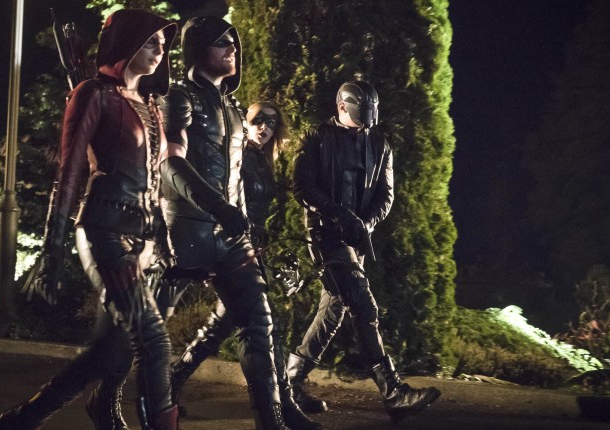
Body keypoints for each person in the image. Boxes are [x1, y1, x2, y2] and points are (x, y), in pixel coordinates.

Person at [0, 9, 179, 430]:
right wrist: (51, 253)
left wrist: (164, 242)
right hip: (104, 231)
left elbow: (156, 182)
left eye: (163, 44)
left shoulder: (151, 105)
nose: (160, 50)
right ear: (128, 43)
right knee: (154, 341)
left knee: (111, 352)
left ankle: (22, 420)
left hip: (144, 240)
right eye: (151, 41)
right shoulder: (92, 94)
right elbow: (70, 173)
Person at [159, 17, 289, 430]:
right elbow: (170, 163)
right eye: (221, 42)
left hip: (230, 235)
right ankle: (129, 402)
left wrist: (242, 222)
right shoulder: (178, 97)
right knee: (143, 331)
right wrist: (220, 208)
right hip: (185, 231)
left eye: (234, 41)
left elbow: (236, 176)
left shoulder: (233, 107)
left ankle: (273, 421)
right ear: (198, 49)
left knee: (258, 321)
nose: (232, 48)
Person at [287, 80, 441, 424]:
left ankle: (289, 383)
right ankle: (393, 393)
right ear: (342, 106)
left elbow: (386, 196)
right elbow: (302, 187)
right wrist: (340, 216)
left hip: (355, 240)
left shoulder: (379, 143)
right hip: (324, 235)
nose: (366, 122)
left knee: (334, 308)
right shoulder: (317, 137)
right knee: (363, 305)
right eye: (360, 114)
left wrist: (365, 224)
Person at [160, 102, 321, 430]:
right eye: (258, 120)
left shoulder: (264, 160)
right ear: (245, 122)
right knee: (262, 325)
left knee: (224, 327)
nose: (265, 128)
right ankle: (283, 406)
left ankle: (172, 384)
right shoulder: (239, 156)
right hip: (232, 245)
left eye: (271, 123)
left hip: (248, 247)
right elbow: (227, 199)